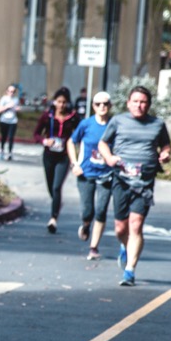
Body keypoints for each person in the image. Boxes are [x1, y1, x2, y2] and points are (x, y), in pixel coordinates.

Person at [97, 85, 171, 286]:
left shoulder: (157, 124)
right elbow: (103, 143)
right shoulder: (118, 121)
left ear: (148, 104)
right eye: (136, 101)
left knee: (136, 225)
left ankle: (129, 270)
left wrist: (165, 154)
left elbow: (165, 144)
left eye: (143, 102)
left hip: (145, 181)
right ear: (128, 103)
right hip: (121, 179)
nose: (139, 105)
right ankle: (125, 246)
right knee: (121, 228)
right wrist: (109, 157)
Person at [67, 91, 114, 260]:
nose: (102, 107)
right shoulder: (86, 124)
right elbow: (71, 142)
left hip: (107, 174)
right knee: (88, 211)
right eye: (98, 104)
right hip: (86, 173)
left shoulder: (114, 125)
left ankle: (93, 247)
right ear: (93, 106)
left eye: (105, 104)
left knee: (101, 211)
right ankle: (86, 224)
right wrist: (74, 163)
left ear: (110, 106)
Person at [33, 86, 81, 233]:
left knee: (56, 187)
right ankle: (57, 203)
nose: (61, 105)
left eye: (64, 102)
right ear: (54, 102)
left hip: (63, 157)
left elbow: (78, 134)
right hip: (49, 155)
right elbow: (36, 134)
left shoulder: (72, 117)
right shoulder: (47, 116)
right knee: (50, 187)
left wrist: (72, 143)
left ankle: (53, 219)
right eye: (59, 101)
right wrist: (44, 141)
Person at [0, 84, 21, 160]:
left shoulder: (16, 100)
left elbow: (18, 108)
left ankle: (10, 153)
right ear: (7, 91)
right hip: (4, 120)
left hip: (13, 121)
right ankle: (2, 151)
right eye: (10, 91)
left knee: (11, 137)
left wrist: (17, 109)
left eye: (13, 92)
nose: (11, 93)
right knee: (3, 136)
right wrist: (7, 106)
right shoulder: (3, 99)